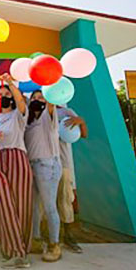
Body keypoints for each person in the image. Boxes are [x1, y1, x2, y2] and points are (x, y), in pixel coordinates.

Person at [0, 73, 32, 268]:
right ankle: (11, 249)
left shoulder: (18, 115)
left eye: (7, 93)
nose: (3, 96)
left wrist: (10, 83)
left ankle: (20, 252)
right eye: (0, 93)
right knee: (4, 206)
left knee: (21, 206)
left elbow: (21, 101)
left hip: (17, 157)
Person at [25, 89, 63, 263]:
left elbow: (50, 102)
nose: (37, 100)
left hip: (47, 165)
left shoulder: (48, 117)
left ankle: (54, 245)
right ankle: (36, 239)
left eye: (41, 97)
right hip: (31, 166)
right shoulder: (28, 122)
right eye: (34, 98)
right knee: (33, 207)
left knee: (49, 207)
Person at [55, 105, 88, 253]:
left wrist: (81, 121)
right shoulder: (37, 109)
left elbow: (84, 134)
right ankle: (47, 237)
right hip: (41, 162)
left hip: (63, 163)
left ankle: (68, 236)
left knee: (65, 199)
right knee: (42, 202)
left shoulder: (67, 112)